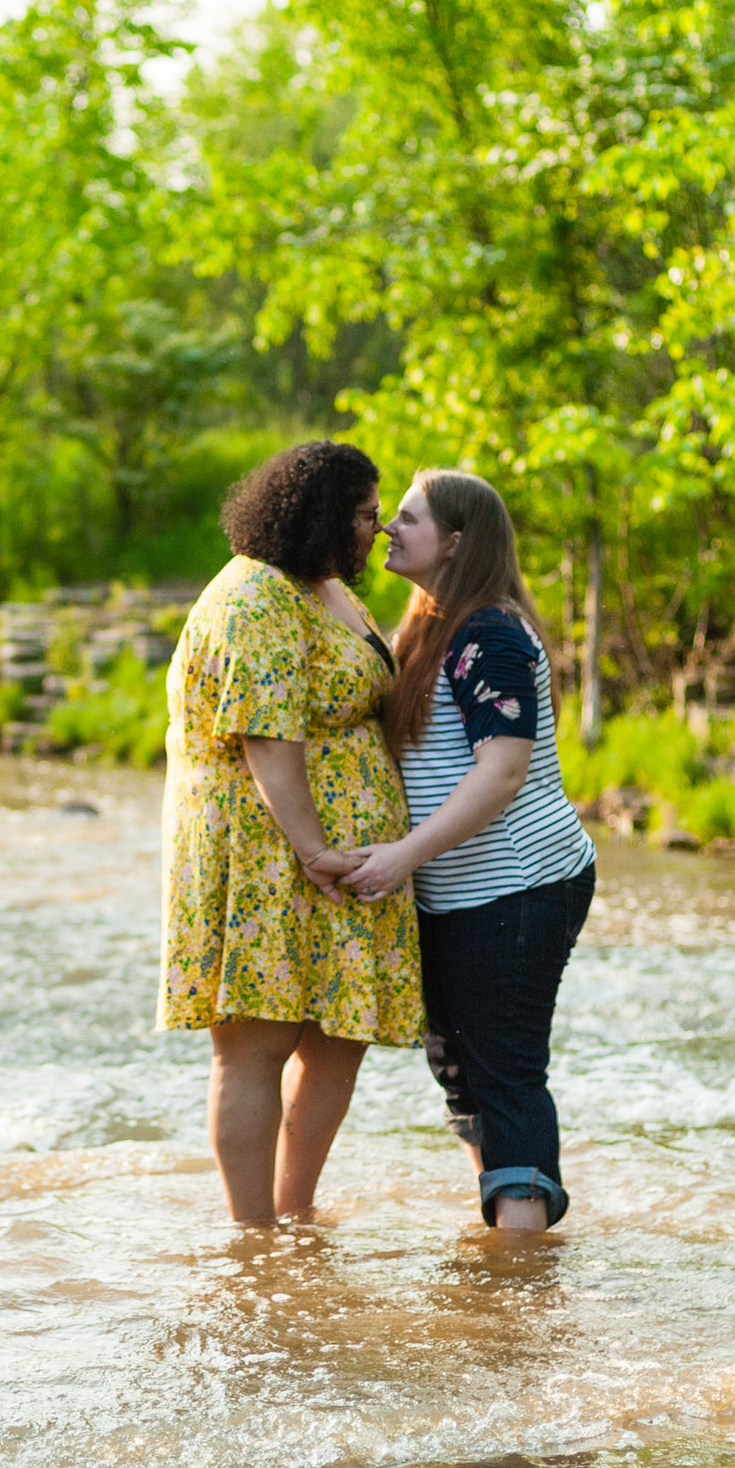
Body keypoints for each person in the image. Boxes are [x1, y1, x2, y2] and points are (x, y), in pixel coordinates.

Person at [158, 440, 424, 1225]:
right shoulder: (255, 599)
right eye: (367, 514)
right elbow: (267, 739)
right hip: (266, 857)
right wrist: (313, 850)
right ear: (321, 516)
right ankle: (252, 1236)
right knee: (256, 1045)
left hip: (340, 861)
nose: (378, 530)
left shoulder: (323, 589)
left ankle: (296, 1217)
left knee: (340, 1033)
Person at [338, 470, 598, 1232]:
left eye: (408, 519)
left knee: (505, 1075)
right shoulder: (427, 628)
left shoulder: (488, 632)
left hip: (518, 887)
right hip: (458, 892)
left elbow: (504, 773)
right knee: (462, 1076)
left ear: (456, 541)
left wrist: (400, 857)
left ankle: (520, 1289)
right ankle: (506, 1254)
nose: (389, 529)